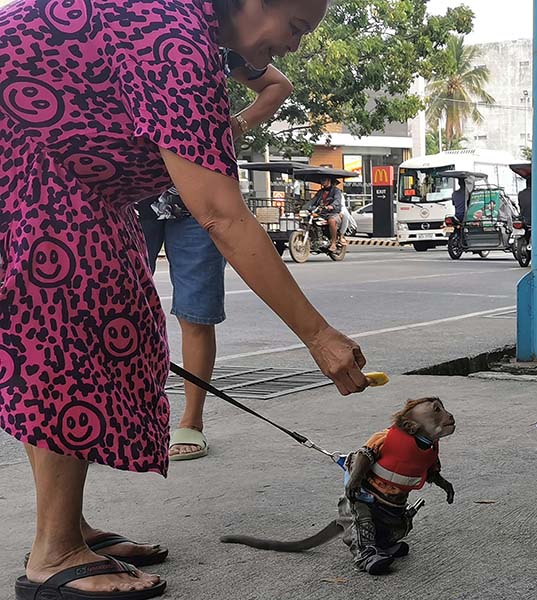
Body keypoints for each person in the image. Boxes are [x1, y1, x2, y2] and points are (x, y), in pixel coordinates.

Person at [0, 0, 369, 598]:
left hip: (73, 181)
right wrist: (318, 335)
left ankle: (67, 525)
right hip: (31, 173)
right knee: (67, 337)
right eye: (296, 27)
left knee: (115, 322)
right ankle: (52, 554)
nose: (295, 46)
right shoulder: (174, 39)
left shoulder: (190, 29)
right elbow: (221, 213)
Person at [140, 49, 293, 462]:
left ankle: (191, 419)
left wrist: (237, 123)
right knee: (119, 306)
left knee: (196, 312)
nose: (291, 43)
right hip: (133, 190)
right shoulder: (130, 22)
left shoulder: (220, 41)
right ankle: (128, 418)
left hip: (200, 188)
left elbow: (279, 85)